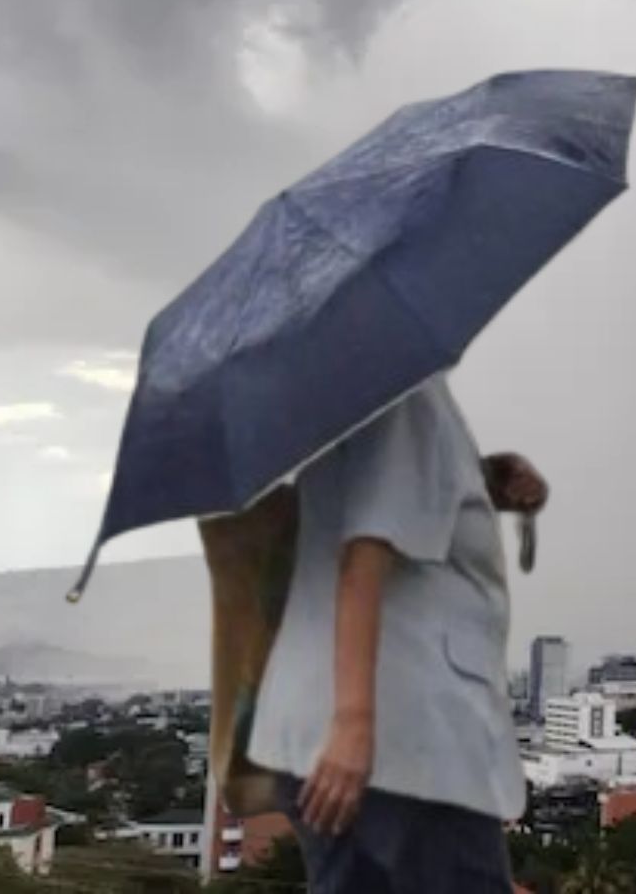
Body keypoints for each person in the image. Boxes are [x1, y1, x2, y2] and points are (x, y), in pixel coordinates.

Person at [247, 374, 545, 893]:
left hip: (361, 746)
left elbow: (386, 492)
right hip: (401, 747)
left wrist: (481, 482)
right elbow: (365, 553)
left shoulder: (358, 390)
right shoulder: (403, 390)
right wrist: (355, 725)